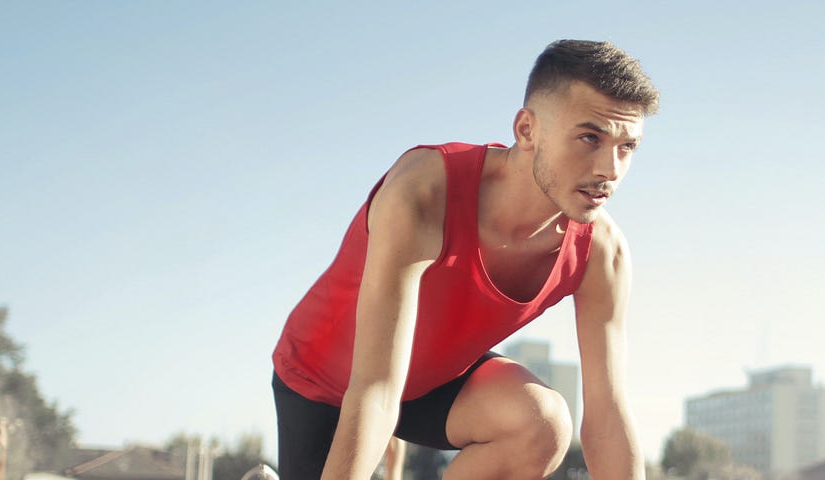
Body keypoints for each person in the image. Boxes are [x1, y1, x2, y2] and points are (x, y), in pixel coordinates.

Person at [271, 39, 658, 479]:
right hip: (325, 385)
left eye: (628, 147)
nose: (610, 168)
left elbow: (608, 414)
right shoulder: (424, 193)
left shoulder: (602, 252)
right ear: (527, 130)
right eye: (590, 137)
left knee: (542, 422)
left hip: (433, 386)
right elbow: (375, 389)